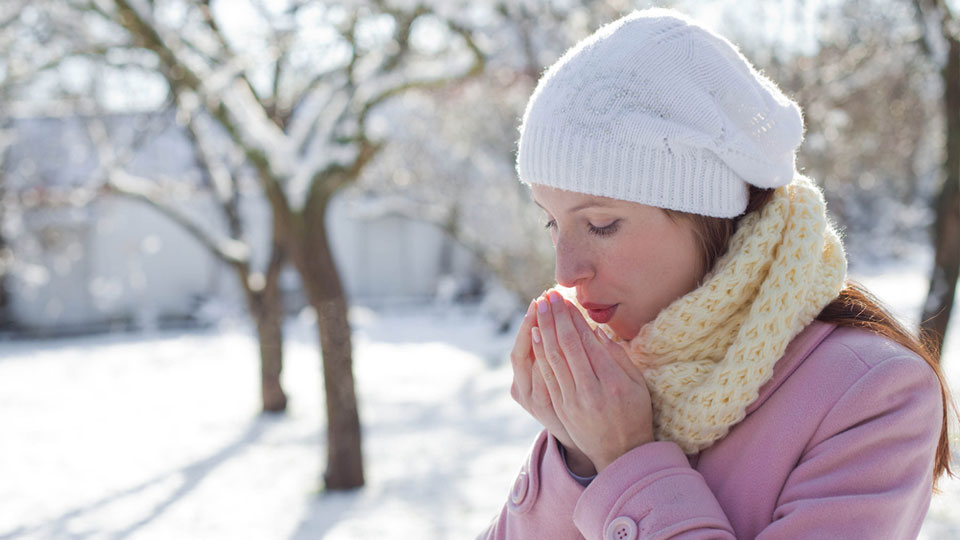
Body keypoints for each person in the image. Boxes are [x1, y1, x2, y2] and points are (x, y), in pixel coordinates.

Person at [478, 7, 957, 540]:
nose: (565, 271)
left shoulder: (872, 395)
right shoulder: (627, 375)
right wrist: (574, 456)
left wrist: (625, 460)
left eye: (601, 224)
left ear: (707, 215)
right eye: (552, 222)